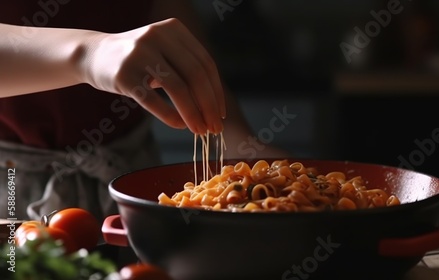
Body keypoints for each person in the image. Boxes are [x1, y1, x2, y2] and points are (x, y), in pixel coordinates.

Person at [0, 1, 287, 222]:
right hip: (11, 184)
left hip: (129, 181)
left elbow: (168, 23)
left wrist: (235, 139)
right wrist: (88, 52)